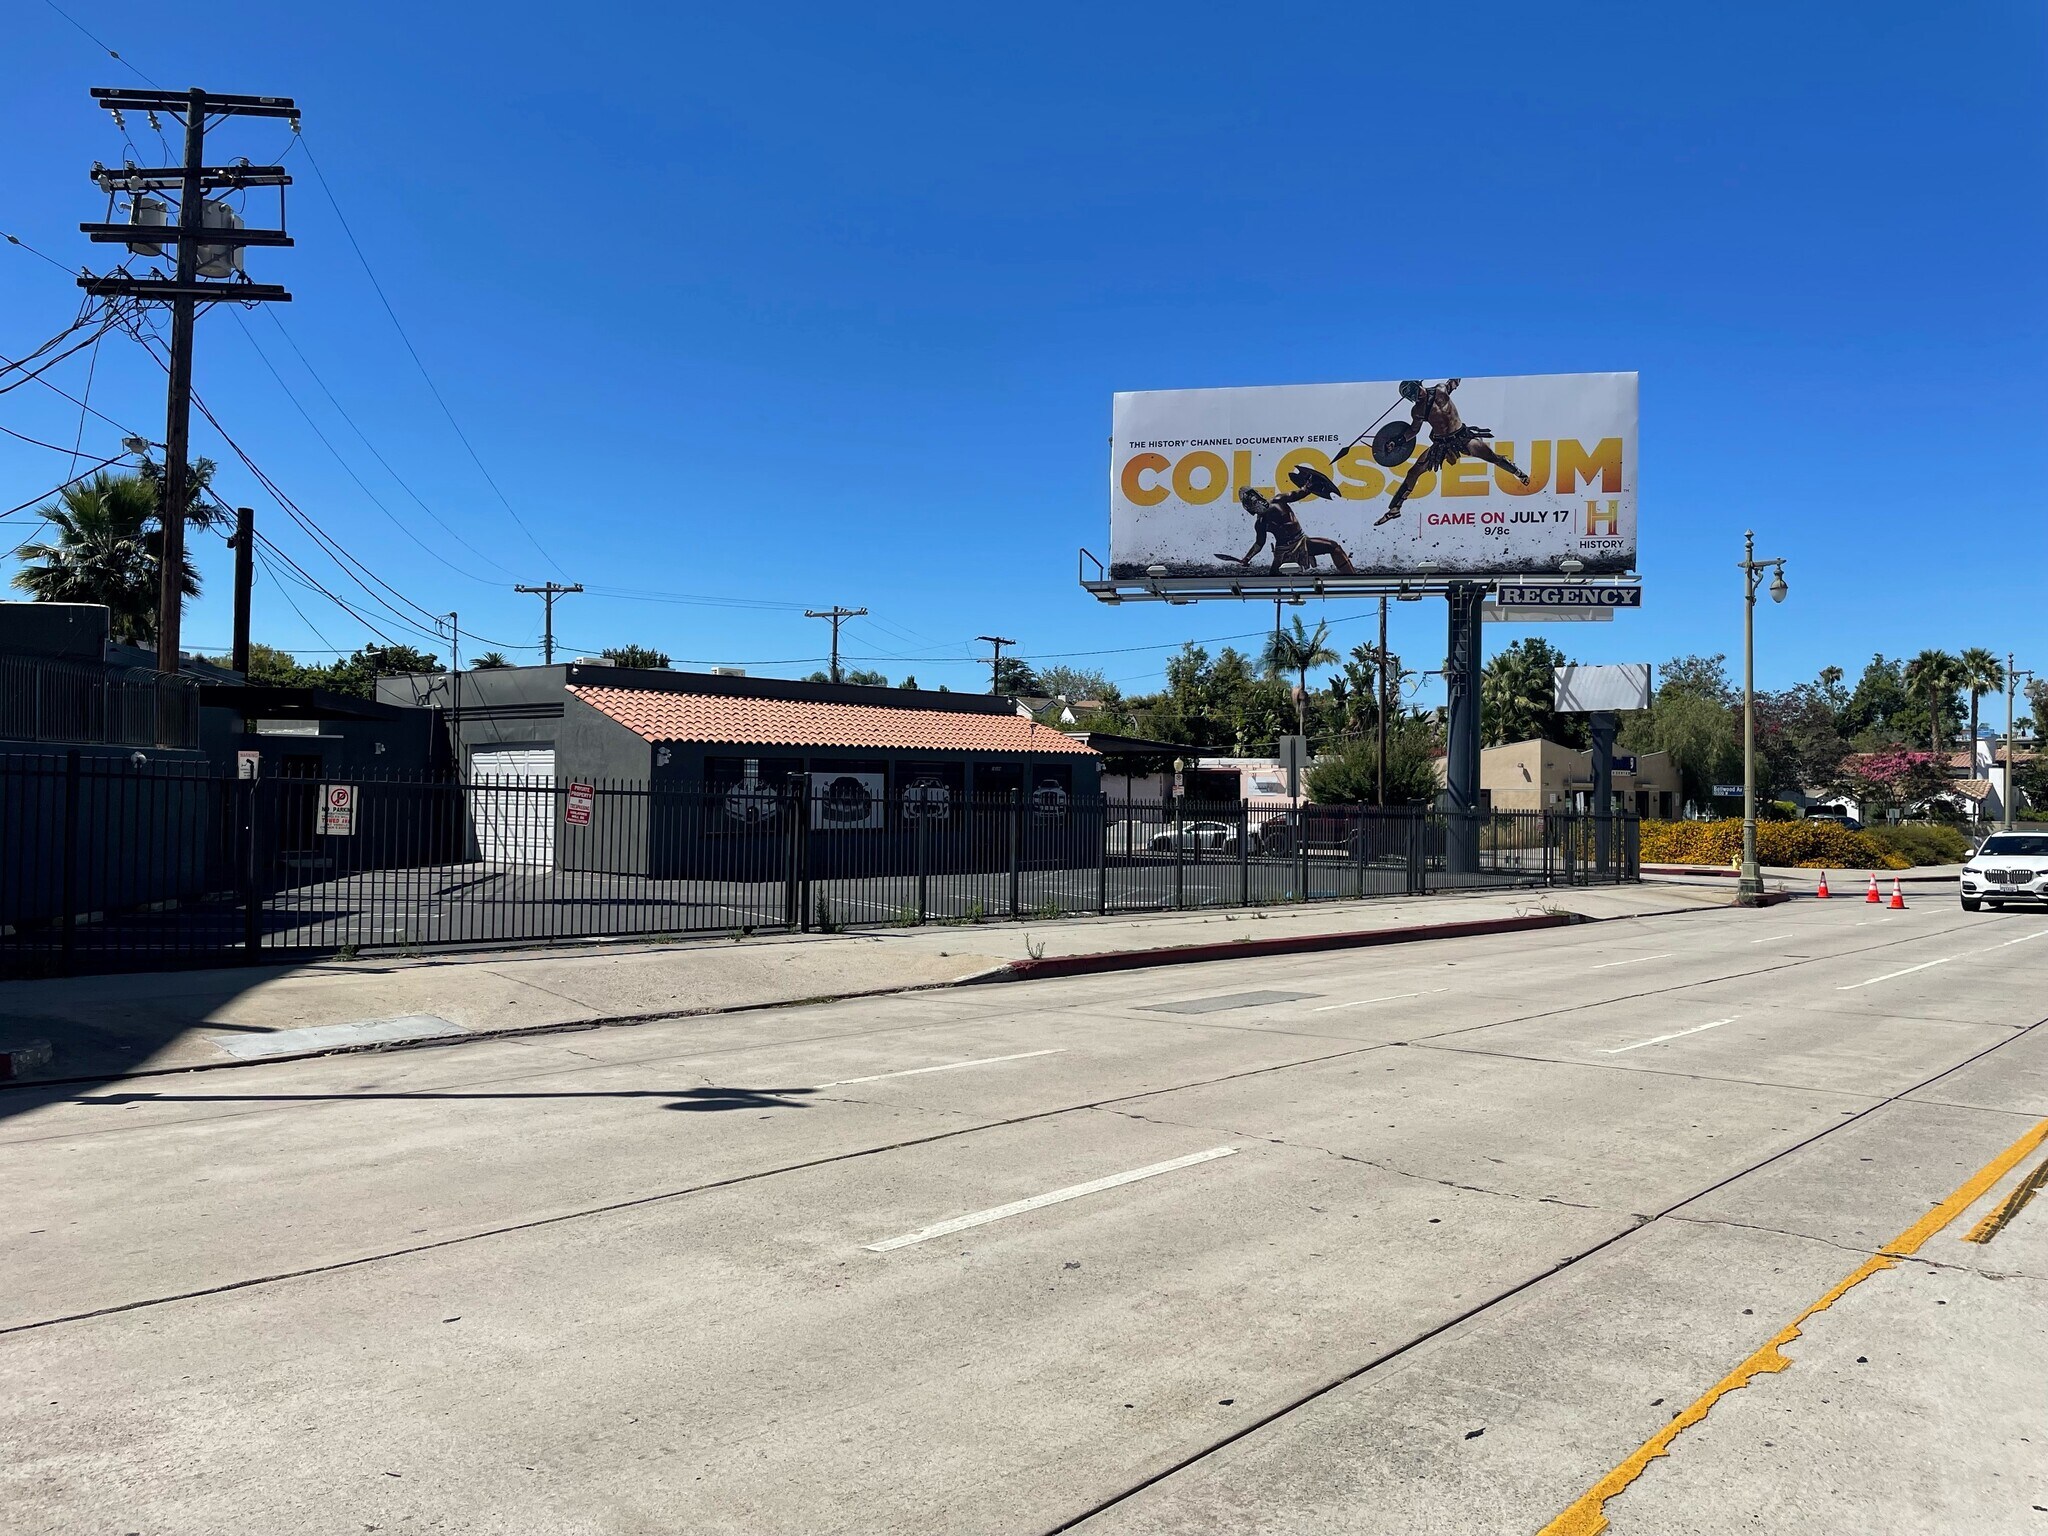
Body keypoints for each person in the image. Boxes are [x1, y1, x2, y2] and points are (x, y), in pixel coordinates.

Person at [1375, 378, 1529, 527]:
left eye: (1413, 392)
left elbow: (1454, 381)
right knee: (1413, 472)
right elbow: (1413, 431)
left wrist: (1458, 370)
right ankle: (1394, 509)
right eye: (1412, 396)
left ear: (1417, 386)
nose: (1416, 397)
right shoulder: (1417, 410)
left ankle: (1518, 473)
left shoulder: (1441, 389)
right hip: (1441, 444)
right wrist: (1397, 442)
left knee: (1492, 457)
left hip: (1462, 437)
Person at [1221, 482, 1356, 574]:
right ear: (1249, 508)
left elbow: (1299, 493)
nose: (1256, 503)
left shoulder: (1278, 500)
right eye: (1252, 503)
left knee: (1333, 547)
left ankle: (1352, 577)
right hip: (1283, 551)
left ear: (1259, 496)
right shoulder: (1260, 523)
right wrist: (1247, 558)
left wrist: (1309, 485)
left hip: (1301, 542)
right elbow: (1259, 543)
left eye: (1255, 499)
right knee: (1273, 578)